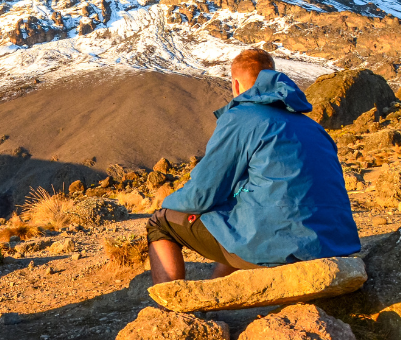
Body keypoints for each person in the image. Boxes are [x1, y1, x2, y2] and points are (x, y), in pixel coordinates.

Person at [147, 48, 360, 283]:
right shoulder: (313, 127)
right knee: (233, 215)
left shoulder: (242, 117)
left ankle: (170, 308)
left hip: (279, 247)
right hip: (335, 244)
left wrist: (166, 205)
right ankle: (219, 290)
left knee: (160, 222)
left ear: (236, 85)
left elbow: (201, 195)